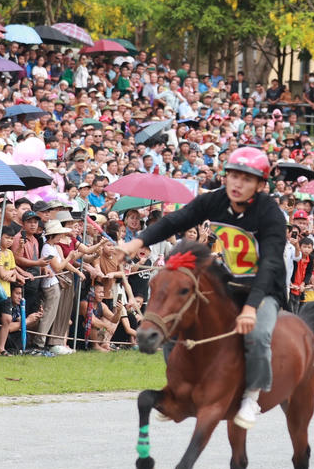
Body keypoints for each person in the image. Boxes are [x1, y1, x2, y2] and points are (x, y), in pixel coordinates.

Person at [121, 146, 287, 430]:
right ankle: (178, 388)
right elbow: (177, 220)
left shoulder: (270, 214)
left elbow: (270, 265)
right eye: (233, 176)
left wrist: (249, 309)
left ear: (261, 185)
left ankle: (251, 395)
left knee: (258, 336)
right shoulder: (215, 200)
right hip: (230, 281)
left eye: (246, 179)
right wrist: (137, 242)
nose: (237, 184)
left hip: (265, 288)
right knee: (177, 321)